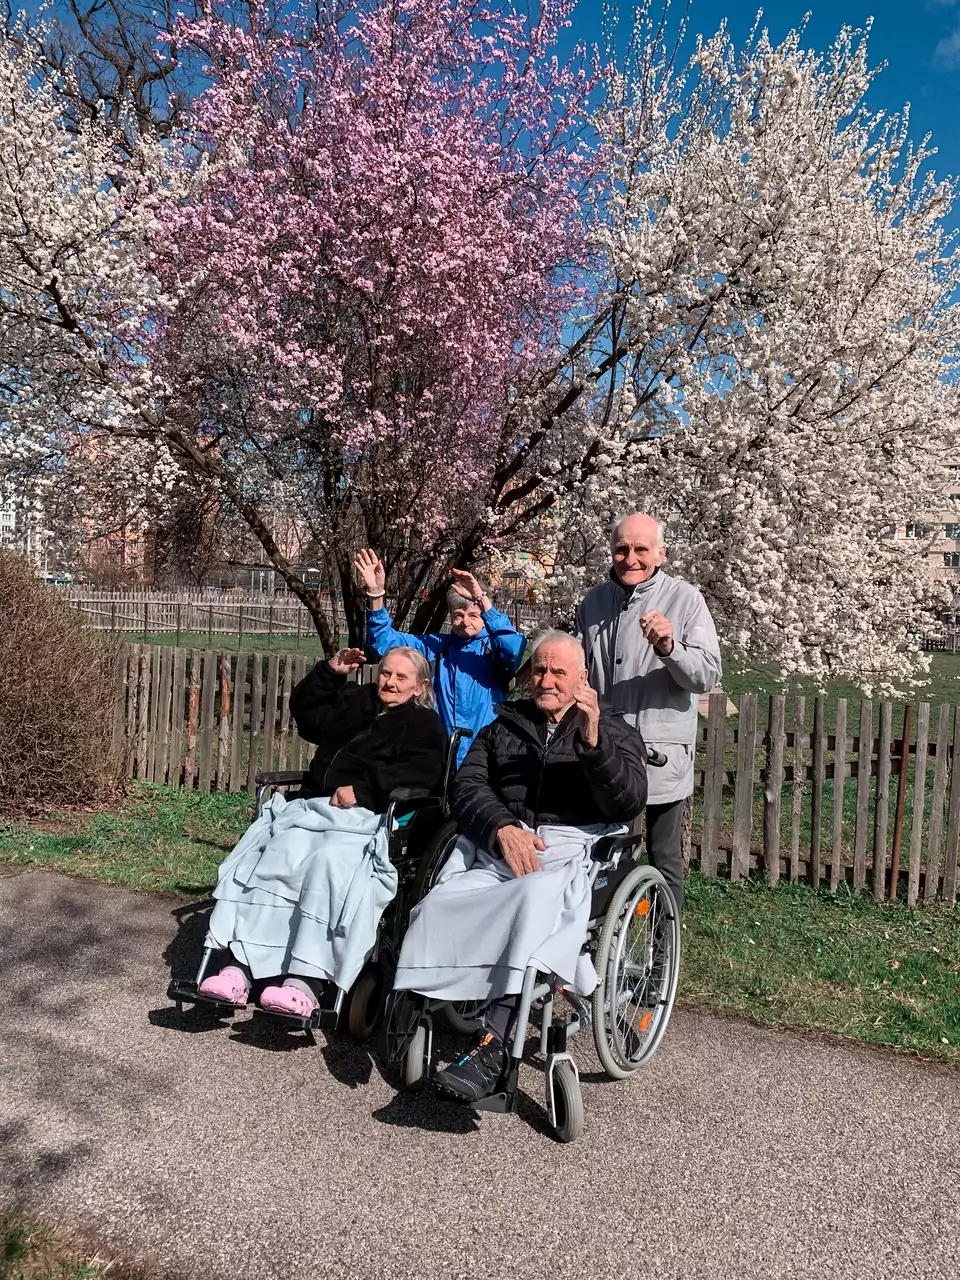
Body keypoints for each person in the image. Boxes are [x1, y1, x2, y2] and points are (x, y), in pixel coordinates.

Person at [393, 630, 648, 1103]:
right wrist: (502, 827)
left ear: (582, 678)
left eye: (558, 672)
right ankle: (418, 1005)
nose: (546, 680)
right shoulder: (504, 725)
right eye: (540, 669)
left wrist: (594, 743)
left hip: (572, 848)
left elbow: (629, 801)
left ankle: (493, 1045)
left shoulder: (612, 727)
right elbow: (467, 787)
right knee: (441, 900)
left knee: (533, 898)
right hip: (504, 846)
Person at [196, 646, 447, 1017]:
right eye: (386, 673)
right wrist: (330, 673)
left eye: (401, 677)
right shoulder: (357, 701)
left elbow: (423, 774)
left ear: (419, 687)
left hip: (365, 818)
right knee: (277, 854)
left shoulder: (425, 725)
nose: (390, 682)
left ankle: (305, 983)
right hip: (313, 809)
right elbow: (307, 714)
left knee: (329, 863)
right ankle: (239, 968)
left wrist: (363, 790)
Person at [575, 513, 722, 912]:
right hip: (606, 751)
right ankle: (601, 937)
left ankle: (662, 942)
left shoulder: (686, 599)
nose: (630, 558)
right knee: (603, 851)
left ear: (661, 554)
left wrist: (669, 648)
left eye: (641, 549)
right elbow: (579, 667)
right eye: (622, 549)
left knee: (664, 858)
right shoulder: (594, 602)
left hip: (661, 755)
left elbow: (707, 674)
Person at [355, 548, 526, 766]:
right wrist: (376, 593)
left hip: (485, 756)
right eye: (458, 615)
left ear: (484, 617)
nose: (465, 622)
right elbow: (384, 643)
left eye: (473, 615)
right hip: (440, 755)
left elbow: (513, 647)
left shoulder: (493, 649)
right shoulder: (437, 647)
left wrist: (482, 601)